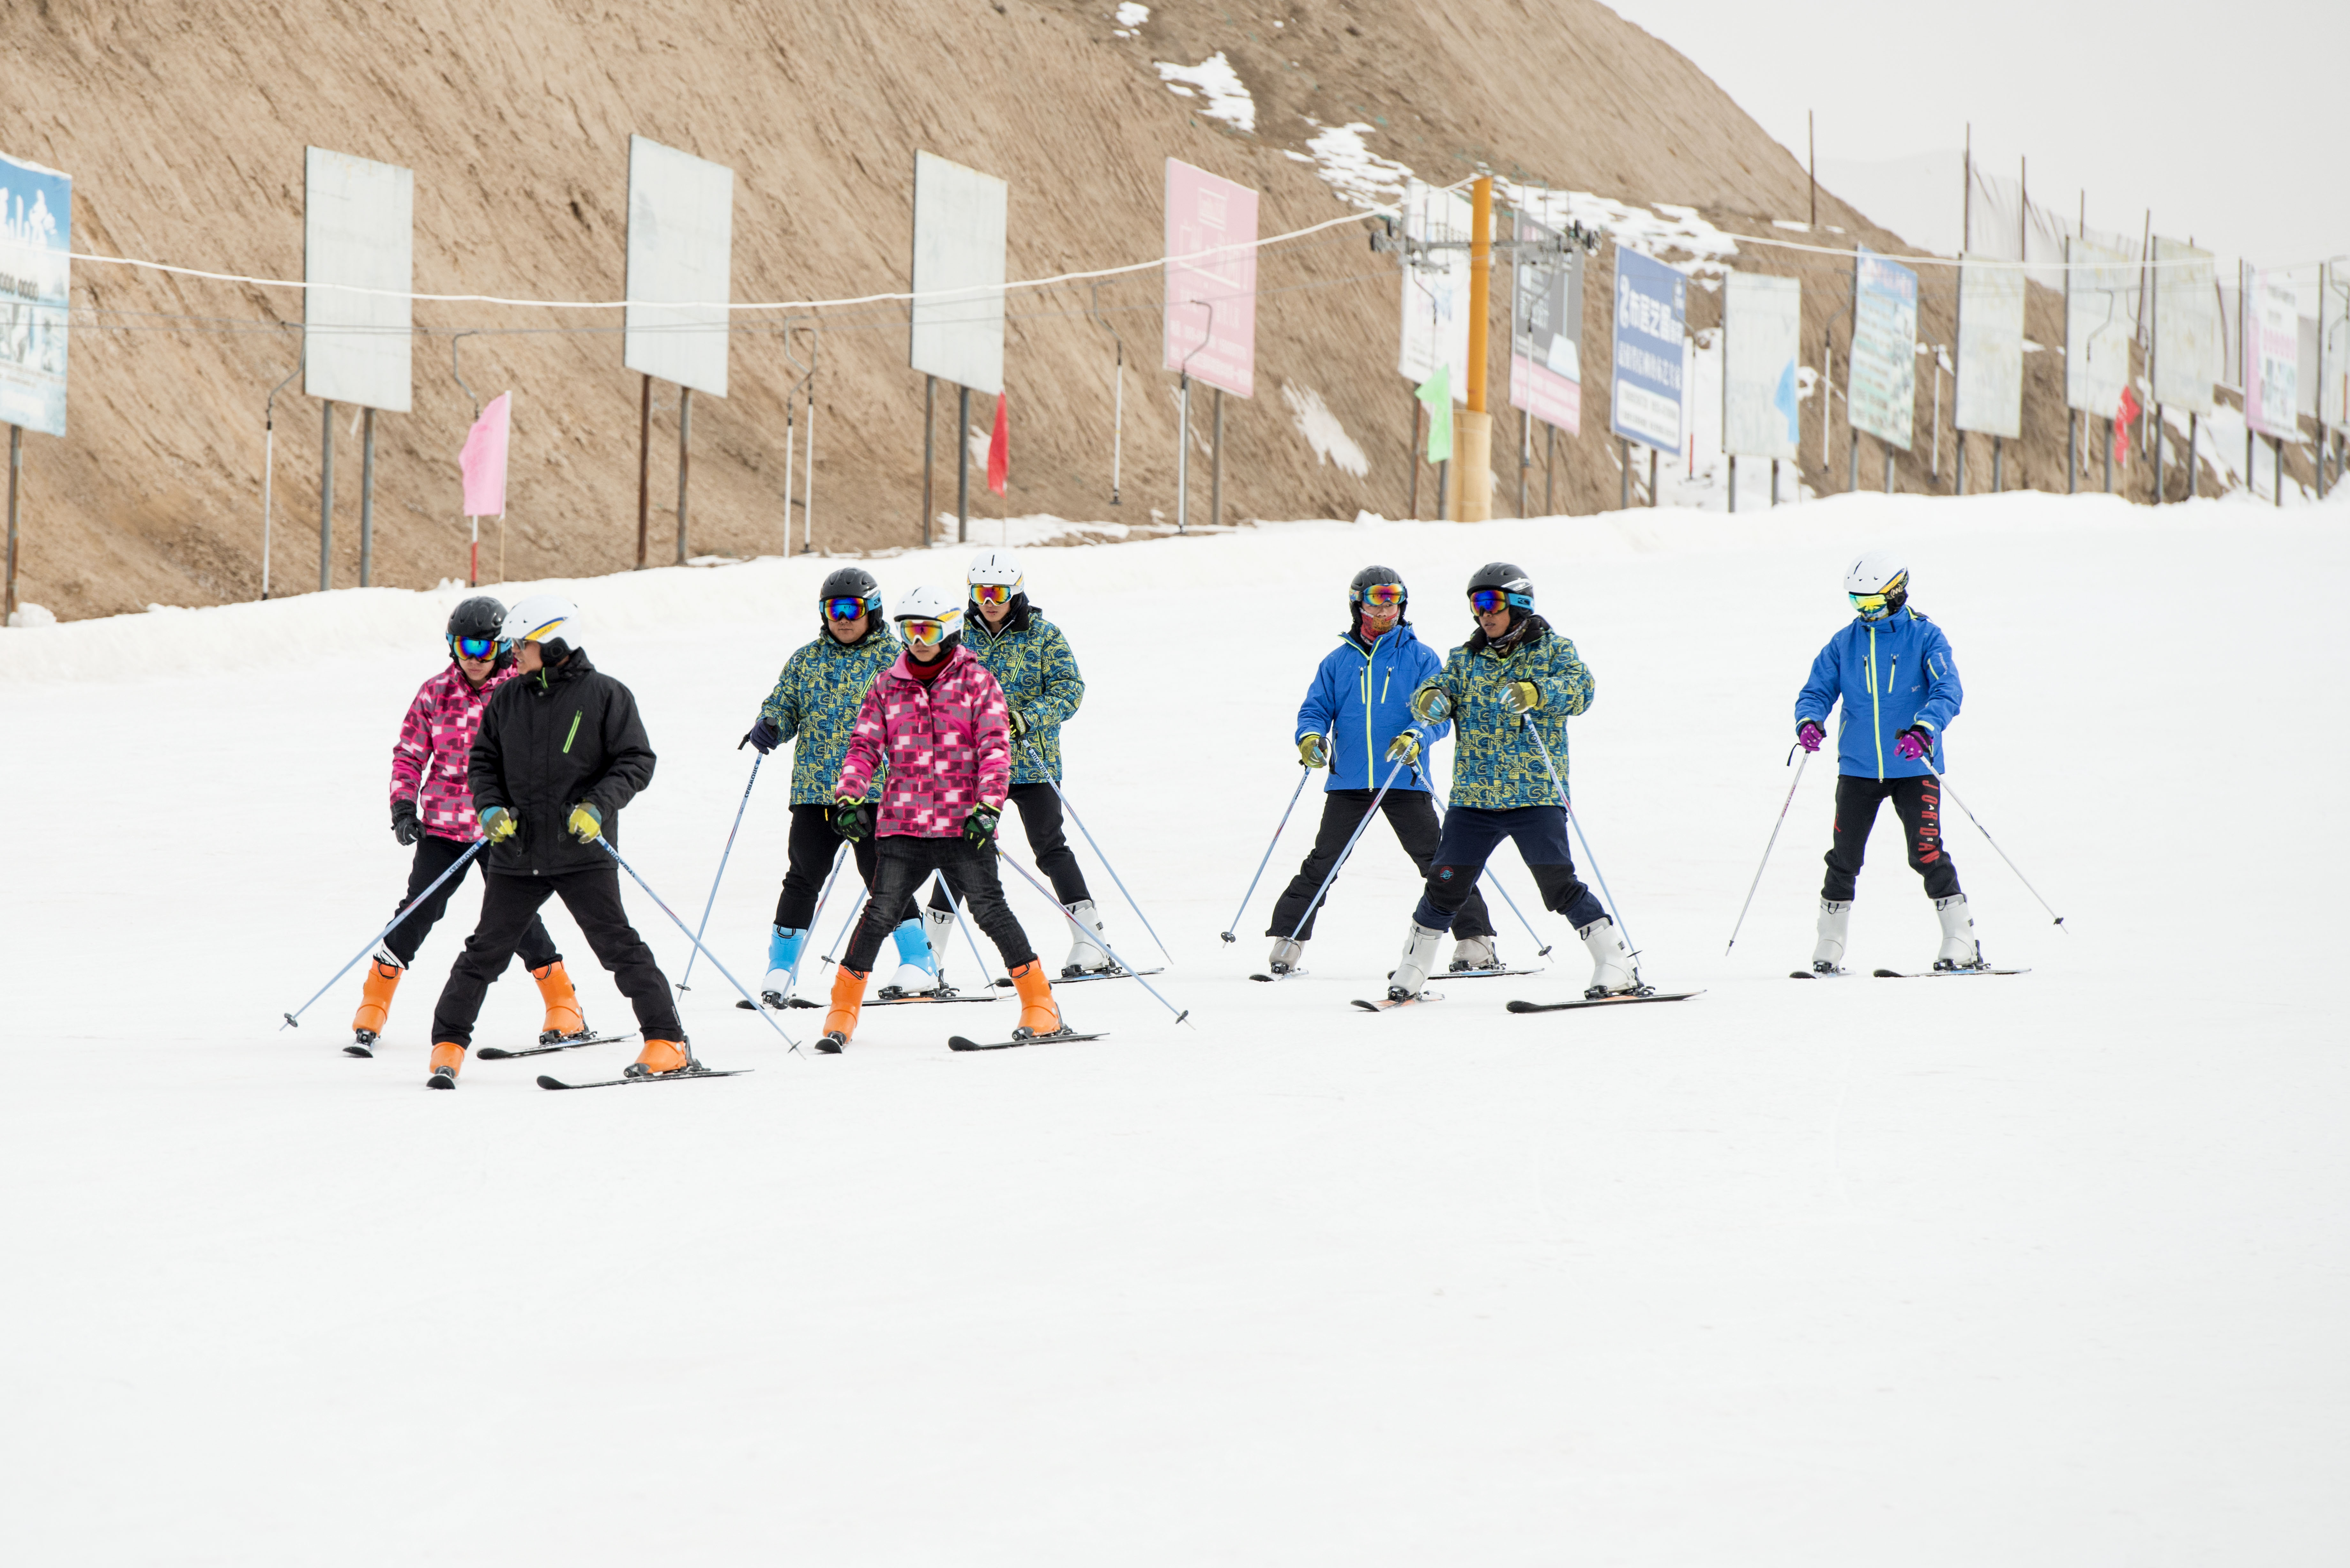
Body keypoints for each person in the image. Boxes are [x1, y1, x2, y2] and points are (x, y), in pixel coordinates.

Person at [422, 594, 690, 1088]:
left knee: (618, 947)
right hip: (517, 853)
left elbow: (636, 761)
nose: (513, 654)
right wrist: (490, 808)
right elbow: (482, 763)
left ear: (556, 644)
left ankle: (667, 1042)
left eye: (523, 645)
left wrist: (598, 805)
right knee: (485, 952)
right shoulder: (507, 699)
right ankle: (448, 1045)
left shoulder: (607, 696)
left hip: (580, 852)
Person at [819, 585, 1064, 1051]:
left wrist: (989, 807)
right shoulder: (887, 684)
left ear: (949, 629)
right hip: (902, 825)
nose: (917, 639)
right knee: (879, 915)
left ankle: (1041, 1005)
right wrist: (849, 797)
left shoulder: (977, 682)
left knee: (990, 911)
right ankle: (842, 1012)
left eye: (928, 629)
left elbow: (995, 749)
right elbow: (865, 746)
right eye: (909, 629)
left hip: (962, 825)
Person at [1386, 562, 1635, 1002]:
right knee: (1444, 884)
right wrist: (1430, 701)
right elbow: (1441, 692)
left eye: (1490, 602)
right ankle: (1412, 968)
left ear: (1519, 604)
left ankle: (1615, 962)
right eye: (1475, 604)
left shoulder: (1553, 650)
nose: (1482, 613)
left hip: (1534, 794)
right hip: (1474, 798)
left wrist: (1539, 692)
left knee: (1557, 884)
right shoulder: (1465, 658)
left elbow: (1582, 690)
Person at [348, 596, 579, 1057]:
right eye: (463, 646)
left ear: (501, 647)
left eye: (484, 647)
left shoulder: (524, 691)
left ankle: (563, 1004)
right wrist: (402, 808)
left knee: (514, 919)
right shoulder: (435, 692)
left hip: (505, 828)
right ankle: (374, 1003)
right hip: (444, 827)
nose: (474, 659)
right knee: (418, 910)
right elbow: (410, 754)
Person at [1265, 565, 1497, 976]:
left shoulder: (1421, 656)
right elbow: (1316, 709)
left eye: (1394, 596)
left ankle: (1476, 939)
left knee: (1438, 861)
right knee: (1324, 861)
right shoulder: (1337, 662)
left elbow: (1441, 713)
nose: (1388, 606)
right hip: (1350, 781)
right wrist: (1310, 737)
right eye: (1378, 597)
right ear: (1358, 603)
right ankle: (1290, 938)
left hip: (1404, 778)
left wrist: (1416, 736)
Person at [742, 567, 934, 1001]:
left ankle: (919, 963)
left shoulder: (896, 658)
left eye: (852, 608)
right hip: (815, 790)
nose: (842, 618)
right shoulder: (807, 659)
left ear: (873, 610)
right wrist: (772, 723)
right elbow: (784, 703)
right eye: (833, 610)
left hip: (877, 791)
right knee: (803, 876)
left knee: (884, 878)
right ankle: (781, 971)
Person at [919, 548, 1111, 979]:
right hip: (973, 765)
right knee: (958, 850)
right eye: (981, 591)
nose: (989, 599)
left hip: (1031, 762)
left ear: (1016, 592)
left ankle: (1091, 941)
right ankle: (928, 954)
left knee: (1049, 847)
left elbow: (1070, 690)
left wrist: (1027, 718)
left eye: (998, 591)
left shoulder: (1044, 635)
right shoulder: (957, 636)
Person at [1792, 549, 1977, 973]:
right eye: (1857, 604)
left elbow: (1948, 690)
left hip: (1914, 766)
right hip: (1858, 767)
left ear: (1896, 596)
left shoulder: (1926, 637)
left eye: (1872, 604)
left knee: (1926, 851)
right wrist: (1809, 720)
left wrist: (1925, 729)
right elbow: (1817, 690)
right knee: (1844, 857)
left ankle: (1960, 938)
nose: (1865, 613)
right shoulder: (1845, 642)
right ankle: (1830, 942)